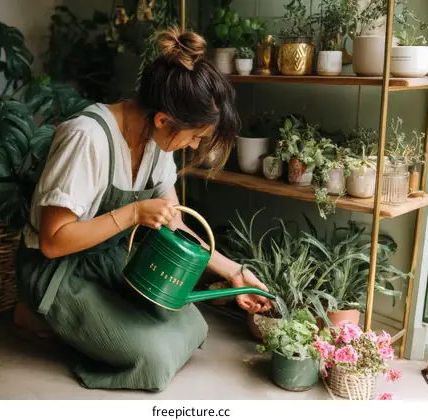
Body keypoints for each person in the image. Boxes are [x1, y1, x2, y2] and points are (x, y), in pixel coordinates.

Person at [15, 26, 272, 393]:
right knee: (154, 359)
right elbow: (53, 242)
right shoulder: (87, 138)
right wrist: (134, 213)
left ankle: (78, 322)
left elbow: (176, 221)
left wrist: (233, 273)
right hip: (56, 269)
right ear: (164, 120)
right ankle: (34, 313)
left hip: (107, 257)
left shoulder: (156, 140)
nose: (193, 145)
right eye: (195, 136)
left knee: (194, 328)